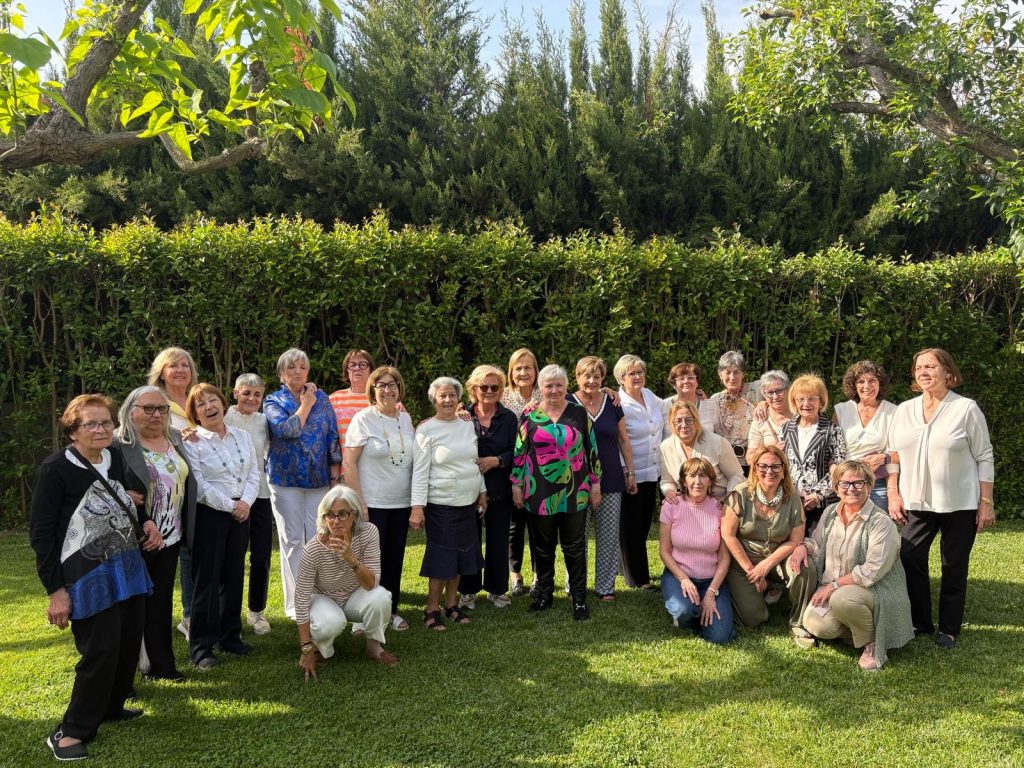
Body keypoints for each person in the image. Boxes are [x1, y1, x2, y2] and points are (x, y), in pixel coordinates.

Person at [30, 394, 159, 761]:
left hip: (127, 566)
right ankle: (71, 731)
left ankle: (112, 706)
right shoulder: (56, 469)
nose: (102, 429)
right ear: (73, 431)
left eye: (106, 422)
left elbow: (129, 498)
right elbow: (41, 534)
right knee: (100, 650)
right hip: (86, 575)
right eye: (91, 424)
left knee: (127, 642)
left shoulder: (113, 456)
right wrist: (56, 590)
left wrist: (147, 521)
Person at [887, 348, 995, 649]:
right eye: (919, 367)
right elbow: (893, 455)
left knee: (954, 564)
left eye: (931, 366)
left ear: (948, 372)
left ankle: (949, 628)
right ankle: (920, 621)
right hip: (917, 502)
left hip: (959, 503)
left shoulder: (966, 409)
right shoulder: (904, 410)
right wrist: (893, 492)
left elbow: (984, 456)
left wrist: (986, 502)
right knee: (910, 557)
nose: (923, 372)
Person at [788, 461, 913, 670]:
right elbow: (817, 543)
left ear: (869, 486)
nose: (851, 489)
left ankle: (872, 643)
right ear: (836, 488)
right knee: (817, 625)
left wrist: (834, 586)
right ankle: (858, 626)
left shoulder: (880, 522)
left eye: (858, 483)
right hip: (837, 589)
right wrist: (803, 547)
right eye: (844, 483)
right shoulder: (830, 513)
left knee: (842, 599)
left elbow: (872, 571)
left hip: (873, 589)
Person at [113, 386, 196, 683]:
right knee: (130, 605)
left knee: (160, 601)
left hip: (170, 535)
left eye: (162, 409)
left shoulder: (174, 438)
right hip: (136, 537)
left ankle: (161, 665)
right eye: (148, 408)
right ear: (130, 411)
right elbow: (103, 483)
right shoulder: (118, 444)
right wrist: (123, 495)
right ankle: (124, 675)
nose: (156, 415)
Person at [511, 365, 602, 620]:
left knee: (575, 547)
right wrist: (516, 485)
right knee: (543, 547)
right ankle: (544, 595)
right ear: (540, 388)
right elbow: (519, 451)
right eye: (548, 385)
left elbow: (592, 450)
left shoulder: (579, 412)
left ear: (566, 387)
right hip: (539, 492)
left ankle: (579, 599)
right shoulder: (529, 414)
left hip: (576, 491)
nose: (554, 390)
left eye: (559, 385)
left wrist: (596, 484)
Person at [181, 383, 260, 669]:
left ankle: (230, 636)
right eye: (200, 404)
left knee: (234, 575)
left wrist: (246, 503)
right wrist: (232, 506)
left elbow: (254, 473)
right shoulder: (192, 442)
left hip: (241, 512)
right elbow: (199, 486)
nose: (209, 406)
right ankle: (201, 647)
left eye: (213, 400)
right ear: (195, 413)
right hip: (211, 515)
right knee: (207, 579)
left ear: (223, 404)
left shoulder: (242, 436)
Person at [264, 348, 342, 620]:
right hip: (286, 481)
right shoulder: (273, 400)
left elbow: (332, 436)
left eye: (302, 367)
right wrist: (306, 403)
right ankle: (296, 604)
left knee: (318, 539)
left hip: (319, 480)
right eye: (291, 367)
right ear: (281, 373)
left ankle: (318, 599)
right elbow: (287, 430)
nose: (298, 371)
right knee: (293, 540)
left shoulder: (323, 398)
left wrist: (335, 476)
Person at [295, 485, 398, 680]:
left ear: (355, 515)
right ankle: (320, 649)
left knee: (381, 597)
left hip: (354, 595)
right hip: (323, 598)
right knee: (332, 622)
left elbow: (371, 584)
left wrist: (350, 558)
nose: (335, 521)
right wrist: (305, 647)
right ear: (323, 518)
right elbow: (301, 599)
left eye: (343, 514)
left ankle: (374, 646)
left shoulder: (369, 533)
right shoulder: (312, 550)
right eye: (330, 515)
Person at [410, 377, 487, 630]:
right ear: (433, 399)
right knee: (442, 559)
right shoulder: (426, 430)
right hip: (441, 505)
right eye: (442, 395)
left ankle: (451, 605)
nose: (447, 400)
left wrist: (482, 491)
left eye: (452, 395)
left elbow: (474, 461)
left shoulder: (467, 425)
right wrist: (417, 507)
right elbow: (420, 471)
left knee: (462, 556)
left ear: (458, 399)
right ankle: (431, 609)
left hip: (467, 503)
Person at [342, 365, 414, 631]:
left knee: (394, 559)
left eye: (391, 384)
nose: (386, 390)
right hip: (372, 504)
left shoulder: (405, 419)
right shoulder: (363, 419)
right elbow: (349, 463)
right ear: (372, 389)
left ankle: (390, 611)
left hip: (401, 503)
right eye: (381, 385)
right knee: (367, 561)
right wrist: (359, 503)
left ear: (399, 388)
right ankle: (361, 616)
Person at [721, 445, 815, 647]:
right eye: (763, 466)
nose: (769, 471)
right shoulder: (740, 494)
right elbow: (728, 535)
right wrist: (752, 571)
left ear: (784, 470)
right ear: (754, 469)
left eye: (775, 466)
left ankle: (799, 622)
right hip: (744, 562)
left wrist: (766, 566)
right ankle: (752, 592)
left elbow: (795, 540)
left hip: (778, 558)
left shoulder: (793, 499)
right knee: (753, 619)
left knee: (805, 567)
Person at [568, 356, 637, 601]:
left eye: (596, 376)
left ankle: (605, 586)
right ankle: (575, 585)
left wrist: (630, 472)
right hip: (575, 481)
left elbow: (623, 440)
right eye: (586, 375)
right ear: (577, 377)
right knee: (576, 538)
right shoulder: (567, 402)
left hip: (611, 479)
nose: (591, 380)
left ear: (603, 379)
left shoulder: (612, 402)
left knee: (608, 536)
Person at [146, 346, 198, 639]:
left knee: (191, 554)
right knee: (159, 555)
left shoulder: (198, 399)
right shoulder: (154, 402)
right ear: (161, 373)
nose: (180, 370)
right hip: (163, 492)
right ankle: (149, 620)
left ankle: (190, 616)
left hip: (197, 489)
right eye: (173, 365)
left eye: (185, 365)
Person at [457, 365, 518, 609]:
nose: (489, 391)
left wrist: (497, 460)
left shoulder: (509, 418)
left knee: (498, 541)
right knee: (469, 543)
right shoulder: (462, 416)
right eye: (484, 387)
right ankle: (468, 591)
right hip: (469, 490)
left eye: (495, 387)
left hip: (500, 488)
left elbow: (518, 451)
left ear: (501, 390)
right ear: (474, 389)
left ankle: (496, 590)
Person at [659, 457, 734, 644]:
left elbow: (724, 559)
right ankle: (690, 610)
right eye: (692, 476)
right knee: (683, 611)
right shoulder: (671, 506)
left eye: (703, 476)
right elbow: (664, 551)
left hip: (711, 580)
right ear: (684, 481)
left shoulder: (721, 510)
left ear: (710, 481)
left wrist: (711, 592)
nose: (697, 481)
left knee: (719, 637)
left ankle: (701, 608)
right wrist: (683, 579)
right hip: (679, 576)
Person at [224, 373, 274, 636]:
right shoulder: (223, 418)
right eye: (246, 393)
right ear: (235, 393)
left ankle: (256, 611)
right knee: (233, 556)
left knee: (261, 555)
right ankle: (228, 613)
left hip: (261, 494)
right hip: (233, 497)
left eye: (257, 394)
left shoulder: (264, 421)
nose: (252, 399)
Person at [614, 354, 663, 591]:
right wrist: (627, 472)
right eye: (631, 373)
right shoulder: (617, 403)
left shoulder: (650, 395)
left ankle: (624, 566)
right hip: (632, 473)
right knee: (632, 526)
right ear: (621, 378)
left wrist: (696, 396)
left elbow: (670, 406)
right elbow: (617, 441)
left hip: (653, 470)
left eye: (640, 372)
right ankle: (639, 579)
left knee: (643, 524)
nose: (637, 376)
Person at [779, 374, 847, 533]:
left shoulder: (832, 430)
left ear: (821, 401)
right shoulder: (786, 428)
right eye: (801, 399)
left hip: (821, 504)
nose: (806, 404)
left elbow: (839, 469)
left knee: (816, 545)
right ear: (794, 402)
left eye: (811, 399)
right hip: (790, 501)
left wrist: (818, 495)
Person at [501, 347, 541, 596]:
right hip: (511, 470)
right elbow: (478, 410)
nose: (523, 372)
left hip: (541, 472)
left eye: (528, 367)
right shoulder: (503, 396)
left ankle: (539, 576)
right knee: (514, 527)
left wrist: (608, 390)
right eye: (518, 368)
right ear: (511, 372)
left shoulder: (546, 392)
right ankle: (515, 575)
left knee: (539, 526)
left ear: (536, 371)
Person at [832, 361, 898, 511]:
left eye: (872, 380)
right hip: (845, 483)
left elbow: (896, 454)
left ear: (880, 383)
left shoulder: (892, 412)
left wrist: (892, 491)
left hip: (876, 484)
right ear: (853, 386)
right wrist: (837, 478)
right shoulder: (841, 410)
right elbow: (833, 452)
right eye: (861, 381)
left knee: (877, 524)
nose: (867, 386)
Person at [659, 400, 744, 504]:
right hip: (688, 507)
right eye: (678, 421)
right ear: (671, 423)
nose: (684, 425)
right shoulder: (666, 447)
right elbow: (667, 481)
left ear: (697, 421)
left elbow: (736, 476)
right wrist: (669, 492)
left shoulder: (717, 442)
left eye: (689, 420)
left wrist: (730, 501)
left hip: (721, 503)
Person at [699, 350, 763, 472]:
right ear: (720, 375)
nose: (732, 377)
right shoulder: (716, 399)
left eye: (736, 372)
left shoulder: (757, 390)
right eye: (728, 372)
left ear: (743, 374)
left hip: (755, 460)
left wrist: (764, 403)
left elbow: (779, 394)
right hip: (726, 462)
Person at [328, 348, 374, 451]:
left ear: (371, 371)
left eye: (363, 364)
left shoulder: (379, 398)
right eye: (352, 365)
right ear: (347, 371)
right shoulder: (333, 399)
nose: (357, 368)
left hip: (374, 461)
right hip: (345, 460)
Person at [746, 370, 792, 464]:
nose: (775, 397)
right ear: (764, 395)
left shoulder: (800, 414)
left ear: (787, 390)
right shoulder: (761, 419)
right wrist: (772, 452)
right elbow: (750, 458)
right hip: (772, 471)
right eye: (770, 393)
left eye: (779, 391)